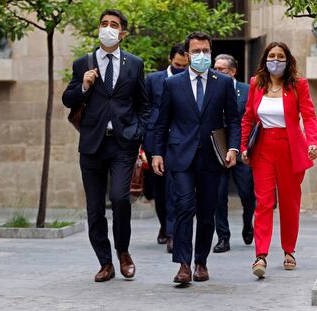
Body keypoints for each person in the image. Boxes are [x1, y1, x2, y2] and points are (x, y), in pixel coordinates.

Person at [62, 9, 150, 282]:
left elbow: (143, 105)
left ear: (122, 32)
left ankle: (123, 251)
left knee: (121, 199)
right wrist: (84, 86)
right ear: (98, 29)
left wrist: (139, 132)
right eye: (104, 24)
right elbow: (68, 99)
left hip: (123, 143)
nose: (108, 28)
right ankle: (105, 262)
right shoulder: (83, 63)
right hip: (92, 144)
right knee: (94, 208)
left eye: (113, 25)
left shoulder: (134, 63)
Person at [152, 31, 240, 284]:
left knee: (206, 211)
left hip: (212, 157)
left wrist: (233, 147)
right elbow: (162, 122)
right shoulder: (172, 84)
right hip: (180, 156)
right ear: (188, 54)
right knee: (184, 207)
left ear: (210, 53)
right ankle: (182, 265)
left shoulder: (222, 83)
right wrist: (157, 153)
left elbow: (233, 120)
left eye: (205, 51)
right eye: (196, 51)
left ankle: (201, 261)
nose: (201, 55)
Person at [240, 41, 317, 279]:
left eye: (280, 56)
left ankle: (289, 251)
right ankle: (260, 255)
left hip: (290, 147)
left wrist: (313, 141)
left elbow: (309, 115)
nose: (276, 60)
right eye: (271, 56)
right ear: (265, 59)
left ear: (287, 60)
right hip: (263, 148)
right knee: (263, 202)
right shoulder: (256, 84)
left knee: (289, 202)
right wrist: (244, 146)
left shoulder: (298, 85)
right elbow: (248, 118)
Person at [143, 43, 189, 253]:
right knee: (159, 191)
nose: (181, 68)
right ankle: (164, 225)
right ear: (170, 59)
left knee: (175, 189)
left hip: (179, 141)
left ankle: (172, 233)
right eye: (177, 64)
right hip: (155, 141)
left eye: (184, 65)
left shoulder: (190, 79)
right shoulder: (153, 79)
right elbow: (144, 108)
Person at [212, 54, 256, 253]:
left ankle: (248, 222)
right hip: (218, 151)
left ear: (233, 71)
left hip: (241, 150)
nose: (216, 72)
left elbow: (254, 120)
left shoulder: (247, 91)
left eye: (221, 69)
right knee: (218, 196)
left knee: (247, 193)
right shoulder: (209, 90)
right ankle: (223, 238)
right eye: (215, 68)